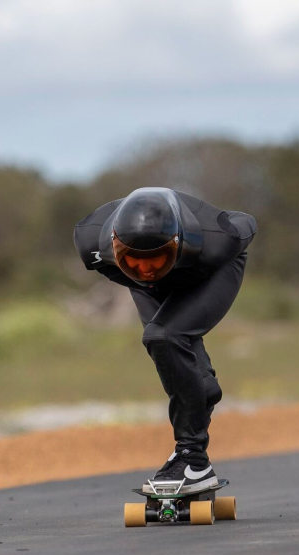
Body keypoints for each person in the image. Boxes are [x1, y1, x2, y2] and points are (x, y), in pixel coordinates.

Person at [73, 187, 256, 493]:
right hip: (150, 285)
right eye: (133, 259)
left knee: (165, 335)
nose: (145, 268)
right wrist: (146, 273)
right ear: (115, 246)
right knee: (168, 345)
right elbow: (142, 271)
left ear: (176, 244)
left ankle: (193, 460)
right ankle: (198, 418)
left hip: (208, 272)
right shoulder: (90, 242)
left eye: (154, 258)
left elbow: (246, 220)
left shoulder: (219, 241)